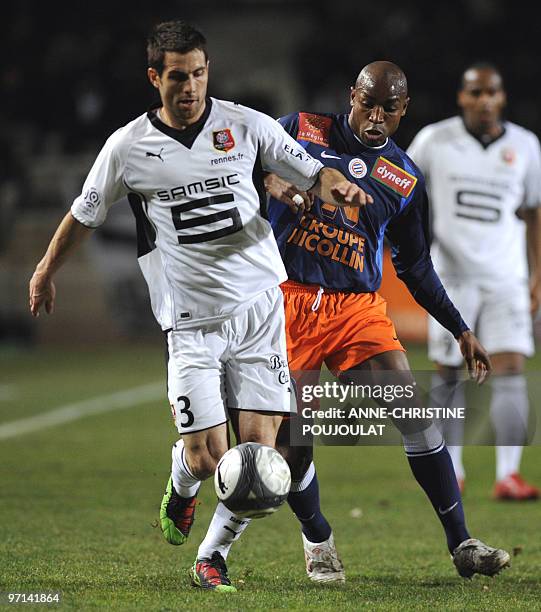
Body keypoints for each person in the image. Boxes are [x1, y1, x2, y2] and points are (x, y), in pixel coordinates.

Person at [28, 20, 373, 593]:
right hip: (191, 322)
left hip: (260, 310)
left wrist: (334, 186)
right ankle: (181, 482)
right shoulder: (128, 147)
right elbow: (84, 213)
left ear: (207, 71)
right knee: (208, 455)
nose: (189, 87)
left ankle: (212, 558)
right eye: (176, 77)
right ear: (154, 78)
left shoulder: (247, 126)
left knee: (262, 459)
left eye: (197, 74)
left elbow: (314, 170)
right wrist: (44, 270)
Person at [265, 61, 510, 582]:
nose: (375, 116)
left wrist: (459, 328)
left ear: (404, 111)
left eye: (389, 108)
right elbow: (244, 165)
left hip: (355, 309)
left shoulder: (402, 176)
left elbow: (415, 264)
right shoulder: (299, 130)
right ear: (350, 93)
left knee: (414, 411)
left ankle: (461, 542)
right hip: (285, 301)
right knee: (291, 441)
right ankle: (317, 539)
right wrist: (274, 185)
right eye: (367, 102)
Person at [407, 63, 540, 500]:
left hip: (507, 276)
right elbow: (401, 189)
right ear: (461, 98)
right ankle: (455, 471)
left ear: (503, 98)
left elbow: (534, 212)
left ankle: (508, 475)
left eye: (492, 93)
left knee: (511, 368)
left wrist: (537, 272)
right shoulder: (433, 140)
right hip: (451, 277)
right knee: (449, 372)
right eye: (476, 92)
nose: (485, 100)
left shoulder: (525, 145)